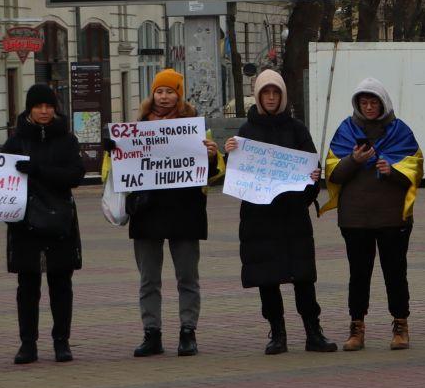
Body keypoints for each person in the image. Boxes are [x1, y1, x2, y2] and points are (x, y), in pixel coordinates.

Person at [114, 68, 223, 359]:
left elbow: (210, 175)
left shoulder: (194, 128)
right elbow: (118, 171)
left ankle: (188, 332)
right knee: (149, 278)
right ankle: (152, 333)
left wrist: (212, 157)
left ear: (179, 94)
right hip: (147, 212)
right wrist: (113, 152)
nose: (164, 97)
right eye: (159, 91)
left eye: (170, 91)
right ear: (153, 94)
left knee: (187, 276)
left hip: (184, 211)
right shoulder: (137, 127)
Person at [226, 69, 331, 355]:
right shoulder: (246, 132)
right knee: (267, 277)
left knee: (303, 276)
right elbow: (237, 176)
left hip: (292, 216)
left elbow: (312, 171)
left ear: (283, 96)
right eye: (266, 93)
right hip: (260, 219)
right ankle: (277, 333)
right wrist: (229, 153)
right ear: (259, 97)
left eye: (276, 93)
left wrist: (312, 181)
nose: (271, 98)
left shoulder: (297, 129)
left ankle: (313, 331)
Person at [323, 78, 422, 352]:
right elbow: (333, 173)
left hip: (393, 218)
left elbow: (416, 171)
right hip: (355, 218)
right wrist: (353, 160)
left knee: (395, 272)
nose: (369, 107)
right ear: (357, 104)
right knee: (359, 274)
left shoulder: (400, 131)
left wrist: (394, 171)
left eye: (374, 102)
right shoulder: (346, 131)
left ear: (383, 103)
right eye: (364, 102)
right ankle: (357, 327)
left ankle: (400, 324)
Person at [3, 83, 86, 364]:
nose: (44, 111)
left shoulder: (66, 139)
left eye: (48, 106)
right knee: (27, 285)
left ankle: (61, 342)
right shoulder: (15, 142)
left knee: (60, 282)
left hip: (58, 218)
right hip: (24, 221)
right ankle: (28, 344)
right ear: (29, 108)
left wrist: (39, 171)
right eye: (38, 106)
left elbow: (75, 174)